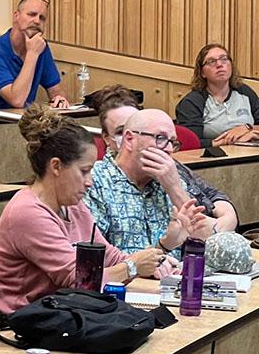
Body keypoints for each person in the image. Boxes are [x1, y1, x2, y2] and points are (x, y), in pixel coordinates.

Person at [0, 104, 178, 314]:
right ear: (56, 166)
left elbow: (110, 256)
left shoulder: (72, 204)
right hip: (26, 325)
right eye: (84, 171)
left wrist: (155, 261)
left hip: (68, 315)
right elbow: (80, 281)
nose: (89, 182)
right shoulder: (27, 212)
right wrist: (133, 266)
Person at [91, 84, 238, 232]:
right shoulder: (97, 180)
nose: (167, 149)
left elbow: (210, 204)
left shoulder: (170, 169)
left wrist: (227, 218)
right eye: (120, 131)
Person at [83, 108, 216, 258]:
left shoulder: (172, 179)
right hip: (122, 280)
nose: (169, 149)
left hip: (173, 278)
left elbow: (206, 240)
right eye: (160, 138)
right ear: (129, 140)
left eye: (173, 142)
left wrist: (174, 188)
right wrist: (160, 254)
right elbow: (92, 258)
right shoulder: (94, 181)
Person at [0, 0, 68, 109]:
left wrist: (59, 98)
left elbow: (55, 90)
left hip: (22, 120)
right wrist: (32, 54)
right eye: (32, 14)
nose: (37, 21)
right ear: (16, 16)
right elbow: (17, 100)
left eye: (42, 18)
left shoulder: (40, 47)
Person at [175, 43, 259, 147]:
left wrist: (247, 128)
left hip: (250, 154)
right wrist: (231, 140)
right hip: (211, 158)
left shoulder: (245, 92)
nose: (219, 64)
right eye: (211, 61)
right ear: (202, 73)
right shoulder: (192, 102)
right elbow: (190, 143)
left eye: (224, 59)